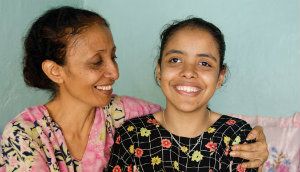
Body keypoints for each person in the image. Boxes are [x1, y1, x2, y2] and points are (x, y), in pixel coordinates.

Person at [0, 7, 267, 172]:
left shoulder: (124, 113)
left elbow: (182, 116)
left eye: (113, 57)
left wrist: (256, 143)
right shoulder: (24, 135)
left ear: (221, 75)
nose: (114, 73)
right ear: (55, 71)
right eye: (96, 62)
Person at [107, 17, 260, 171]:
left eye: (204, 63)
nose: (188, 72)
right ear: (159, 70)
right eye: (175, 60)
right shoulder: (132, 136)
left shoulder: (237, 136)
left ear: (220, 76)